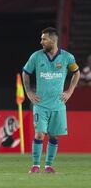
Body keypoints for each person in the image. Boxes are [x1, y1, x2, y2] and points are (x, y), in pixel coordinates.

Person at [22, 27, 80, 174]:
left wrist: (70, 91)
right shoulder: (36, 56)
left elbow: (76, 73)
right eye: (41, 39)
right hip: (40, 104)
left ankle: (48, 166)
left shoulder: (67, 57)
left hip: (58, 105)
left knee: (54, 135)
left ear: (53, 40)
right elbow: (25, 73)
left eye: (44, 39)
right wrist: (29, 92)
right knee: (40, 134)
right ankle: (35, 165)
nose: (41, 41)